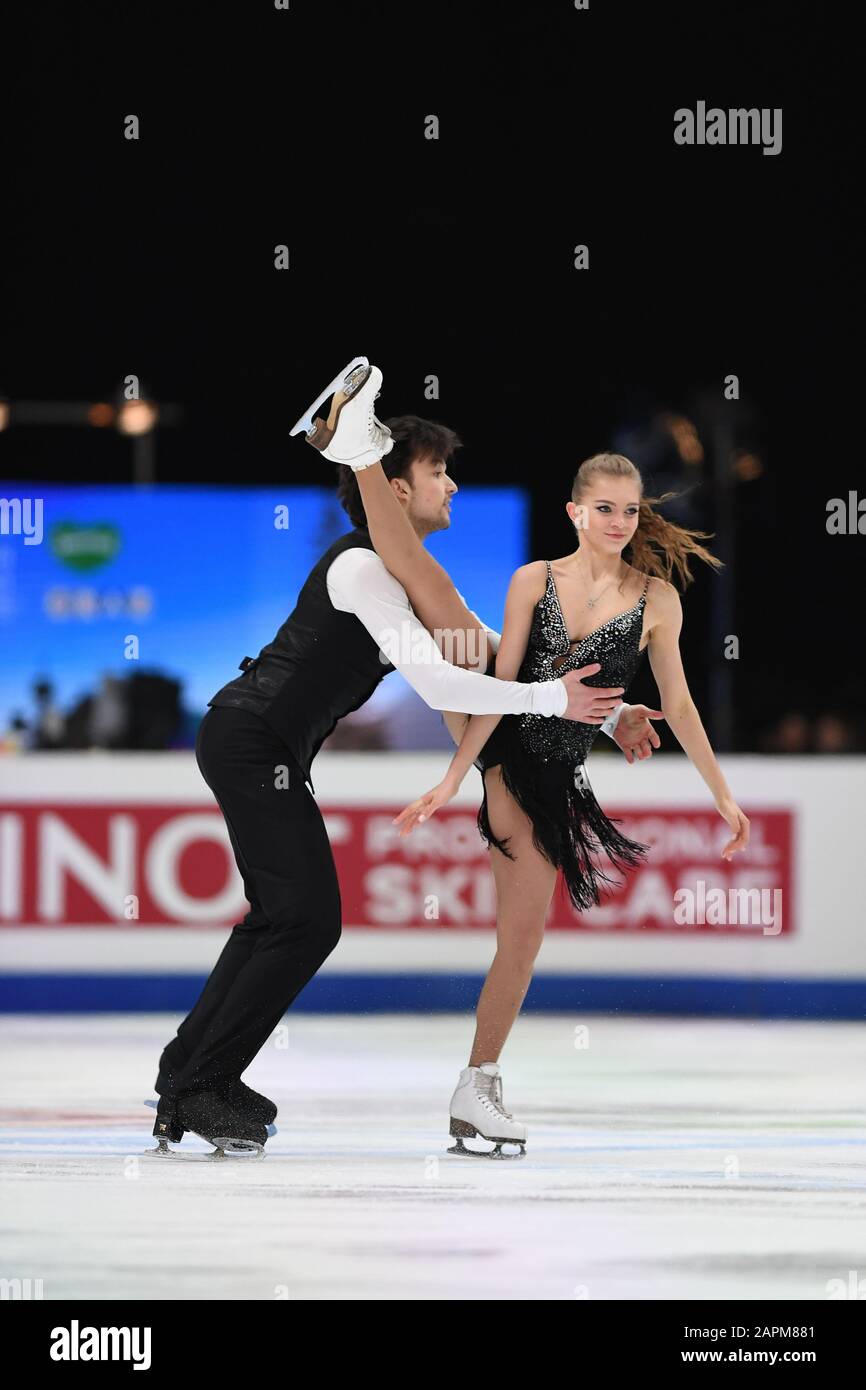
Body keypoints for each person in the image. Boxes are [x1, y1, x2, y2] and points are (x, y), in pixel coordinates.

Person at [149, 358, 661, 1157]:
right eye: (438, 473)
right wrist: (549, 702)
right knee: (308, 919)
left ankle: (191, 1073)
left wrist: (606, 709)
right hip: (250, 738)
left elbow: (491, 656)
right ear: (394, 489)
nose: (453, 485)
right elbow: (434, 679)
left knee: (285, 919)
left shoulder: (398, 573)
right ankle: (199, 1079)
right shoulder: (361, 567)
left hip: (264, 744)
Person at [338, 368, 751, 1159]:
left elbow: (683, 707)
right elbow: (503, 687)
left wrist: (720, 795)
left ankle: (477, 1084)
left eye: (630, 511)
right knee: (521, 943)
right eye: (603, 508)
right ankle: (478, 1083)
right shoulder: (536, 579)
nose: (619, 522)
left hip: (554, 767)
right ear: (574, 511)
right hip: (510, 754)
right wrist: (457, 775)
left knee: (521, 939)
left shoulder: (655, 599)